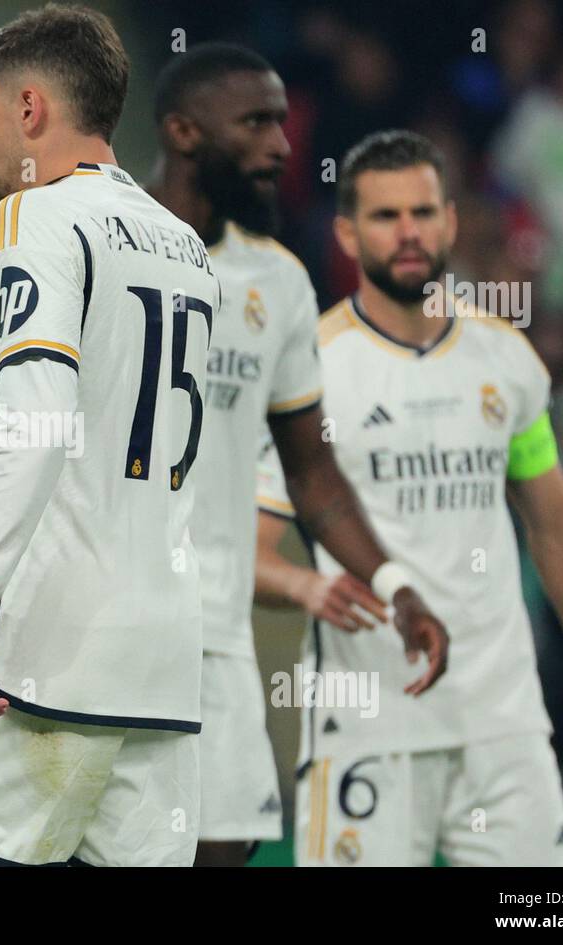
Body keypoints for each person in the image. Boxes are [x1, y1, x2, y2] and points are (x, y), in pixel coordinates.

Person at [0, 3, 222, 867]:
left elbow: (39, 422)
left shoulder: (31, 221)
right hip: (164, 656)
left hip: (39, 647)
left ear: (31, 110)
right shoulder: (186, 249)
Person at [255, 129, 563, 866]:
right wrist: (307, 585)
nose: (409, 232)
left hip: (503, 727)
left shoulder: (506, 359)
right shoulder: (308, 370)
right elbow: (249, 548)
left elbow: (557, 530)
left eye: (424, 212)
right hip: (368, 730)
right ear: (345, 231)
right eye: (384, 215)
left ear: (451, 222)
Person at [146, 44, 445, 867]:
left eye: (281, 121)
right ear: (182, 129)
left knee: (227, 843)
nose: (281, 145)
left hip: (218, 627)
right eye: (256, 123)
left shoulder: (276, 282)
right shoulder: (104, 241)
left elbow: (314, 475)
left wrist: (395, 586)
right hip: (109, 614)